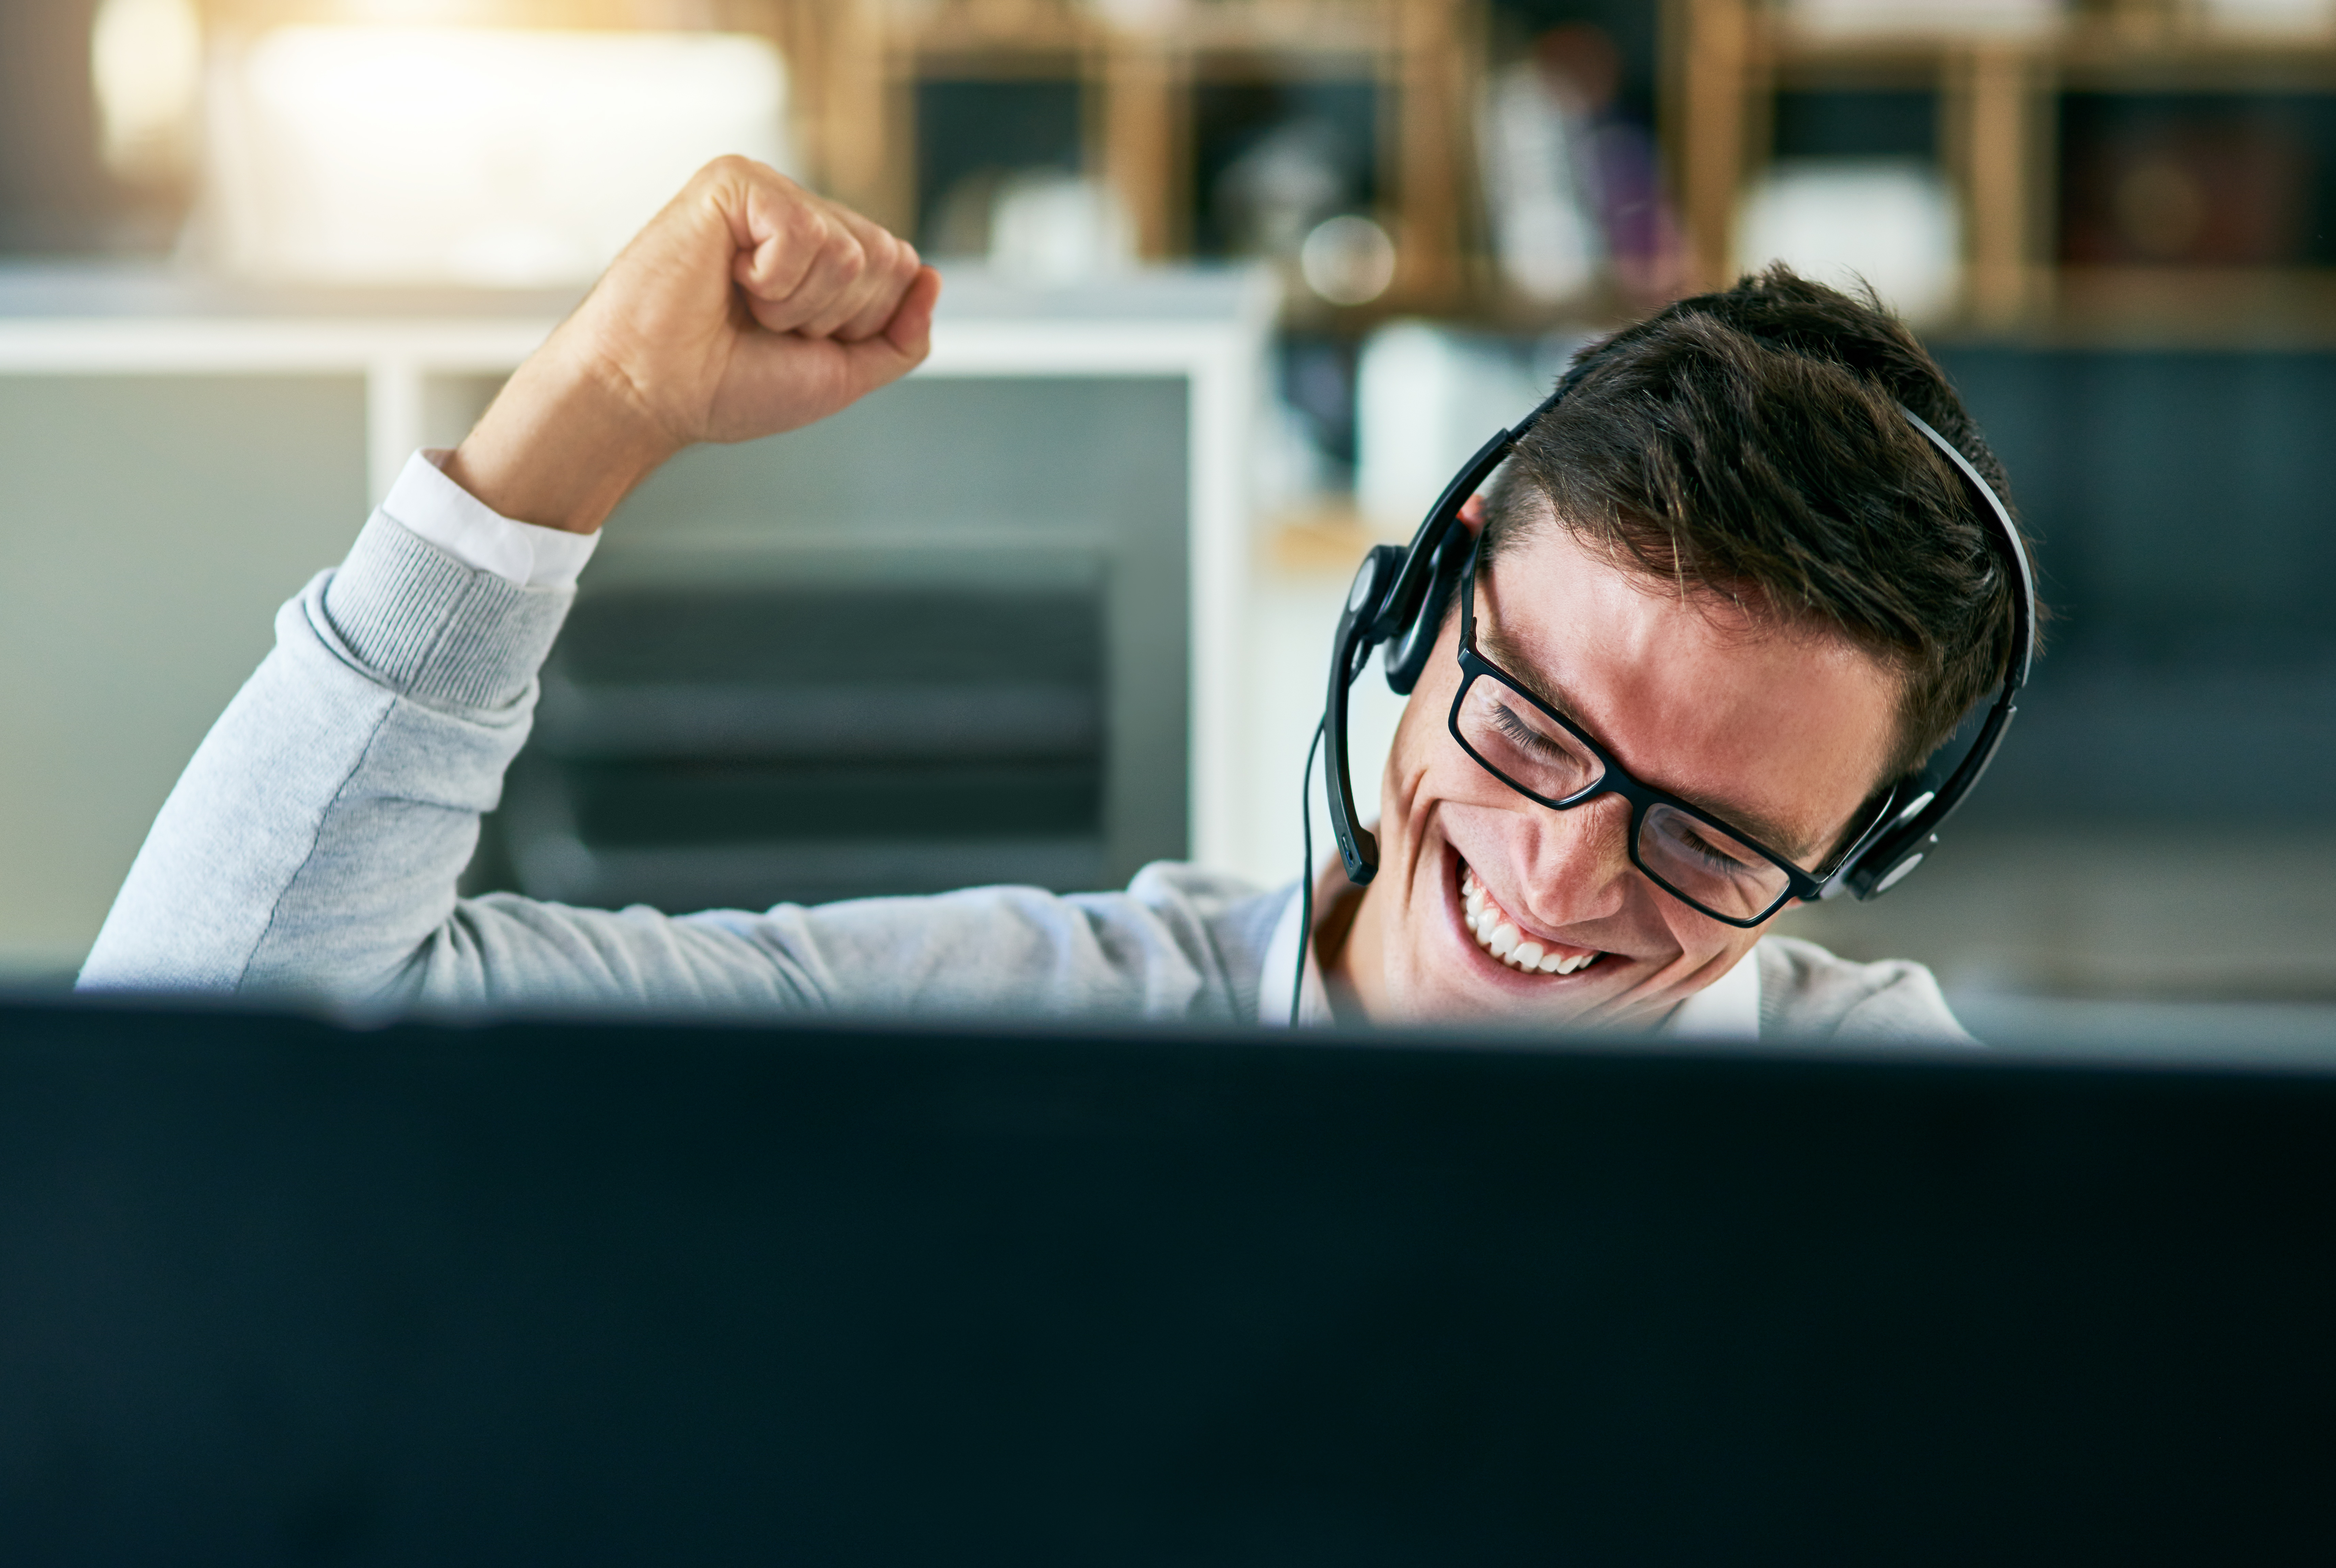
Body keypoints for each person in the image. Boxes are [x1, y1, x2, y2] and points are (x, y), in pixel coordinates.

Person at [78, 158, 2023, 1041]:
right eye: (1532, 726)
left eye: (1710, 845)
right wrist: (577, 430)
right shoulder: (1035, 1027)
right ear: (1420, 623)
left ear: (1857, 852)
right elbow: (197, 1043)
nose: (1566, 875)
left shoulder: (1893, 1143)